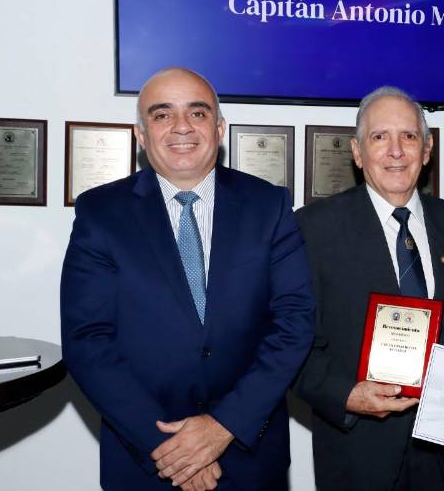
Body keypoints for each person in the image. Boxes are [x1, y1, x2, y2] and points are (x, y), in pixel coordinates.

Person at [60, 67, 315, 490]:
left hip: (248, 454)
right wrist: (174, 451)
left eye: (197, 113)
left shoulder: (268, 206)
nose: (182, 126)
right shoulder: (100, 213)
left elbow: (294, 323)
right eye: (162, 115)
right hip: (148, 460)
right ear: (142, 136)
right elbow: (87, 341)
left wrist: (222, 427)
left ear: (219, 129)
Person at [295, 86, 444, 491]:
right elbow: (291, 341)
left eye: (409, 136)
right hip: (358, 455)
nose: (396, 151)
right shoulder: (312, 229)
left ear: (426, 150)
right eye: (379, 137)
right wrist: (345, 395)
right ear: (357, 152)